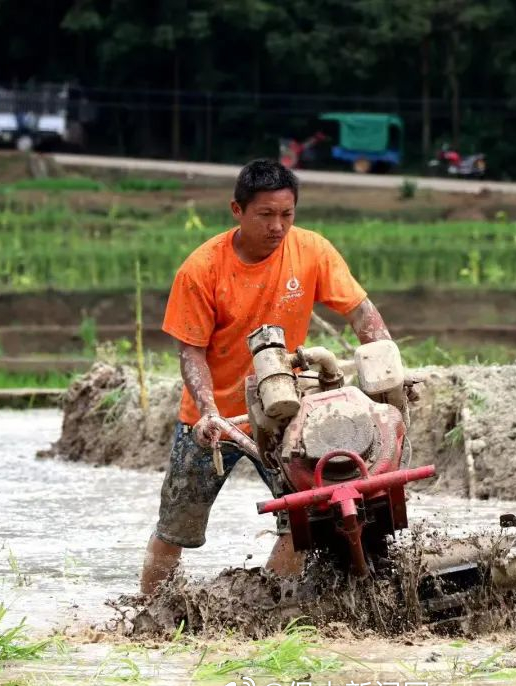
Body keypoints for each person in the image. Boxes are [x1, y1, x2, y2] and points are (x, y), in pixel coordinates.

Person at [140, 158, 395, 596]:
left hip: (284, 410)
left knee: (307, 514)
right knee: (176, 526)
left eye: (287, 214)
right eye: (266, 215)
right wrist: (209, 413)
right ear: (237, 211)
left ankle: (270, 603)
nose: (278, 227)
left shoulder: (311, 250)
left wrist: (389, 372)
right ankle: (148, 612)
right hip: (214, 421)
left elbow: (360, 312)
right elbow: (191, 351)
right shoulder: (202, 269)